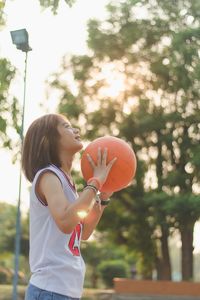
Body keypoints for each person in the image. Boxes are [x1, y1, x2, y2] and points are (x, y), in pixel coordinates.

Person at [22, 113, 117, 300]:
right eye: (66, 126)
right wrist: (95, 182)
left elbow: (82, 232)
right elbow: (66, 221)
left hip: (65, 290)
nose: (75, 130)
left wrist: (102, 198)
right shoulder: (48, 176)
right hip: (50, 289)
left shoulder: (68, 184)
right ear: (46, 140)